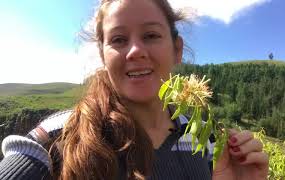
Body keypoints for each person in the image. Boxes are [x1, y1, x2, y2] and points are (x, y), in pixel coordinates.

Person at [0, 0, 268, 179]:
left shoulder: (205, 140)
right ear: (103, 56)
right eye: (119, 39)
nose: (136, 50)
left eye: (151, 35)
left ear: (177, 49)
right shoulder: (58, 136)